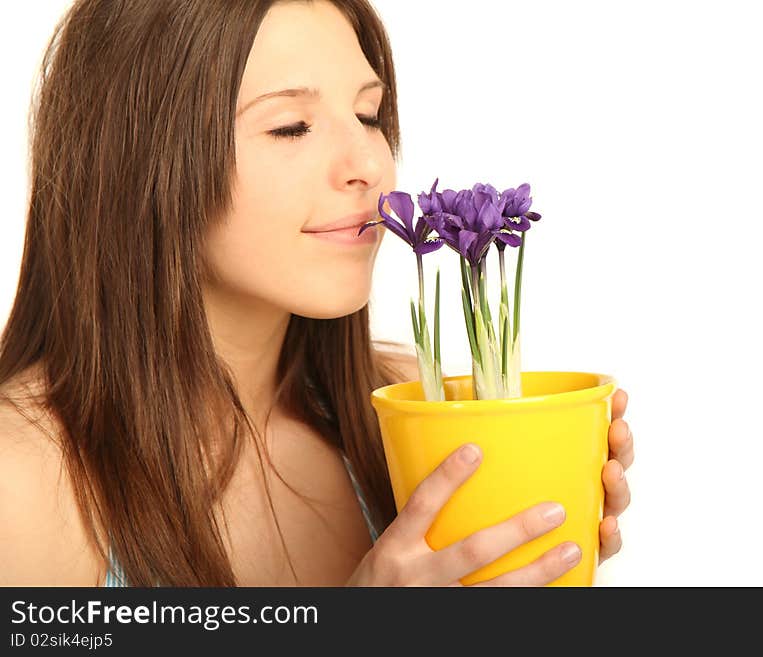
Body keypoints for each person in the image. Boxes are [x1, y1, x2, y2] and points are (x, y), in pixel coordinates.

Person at [0, 0, 634, 587]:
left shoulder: (405, 410)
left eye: (368, 115)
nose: (368, 165)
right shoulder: (23, 480)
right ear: (138, 159)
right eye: (291, 126)